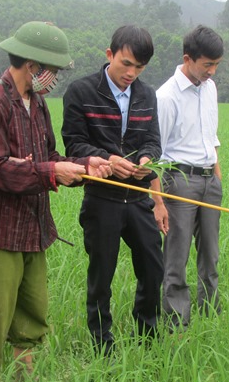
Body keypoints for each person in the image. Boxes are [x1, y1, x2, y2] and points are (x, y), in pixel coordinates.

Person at [0, 21, 111, 380]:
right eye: (53, 70)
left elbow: (49, 156)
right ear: (32, 64)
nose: (54, 78)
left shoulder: (38, 104)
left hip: (34, 228)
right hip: (0, 230)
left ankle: (23, 378)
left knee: (31, 310)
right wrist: (51, 172)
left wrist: (85, 165)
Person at [62, 25, 163, 356]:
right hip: (101, 199)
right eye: (126, 64)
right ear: (109, 55)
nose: (131, 73)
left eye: (140, 67)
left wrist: (148, 159)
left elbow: (153, 141)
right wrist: (107, 158)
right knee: (101, 275)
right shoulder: (81, 92)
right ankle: (101, 345)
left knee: (152, 267)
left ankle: (147, 336)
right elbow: (74, 143)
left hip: (137, 199)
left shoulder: (147, 95)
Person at [151, 25, 224, 331]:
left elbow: (212, 137)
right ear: (187, 58)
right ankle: (177, 324)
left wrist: (217, 178)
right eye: (208, 64)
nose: (212, 71)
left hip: (209, 181)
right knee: (176, 257)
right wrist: (158, 200)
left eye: (216, 64)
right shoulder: (166, 97)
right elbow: (154, 154)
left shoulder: (210, 88)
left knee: (211, 254)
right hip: (179, 181)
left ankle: (211, 314)